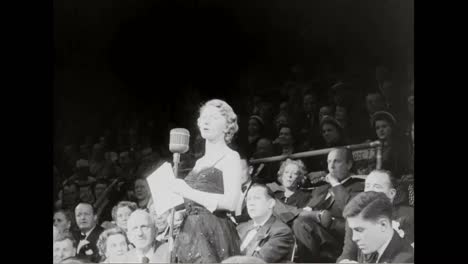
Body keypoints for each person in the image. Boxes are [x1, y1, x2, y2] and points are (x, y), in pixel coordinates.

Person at [169, 99, 242, 263]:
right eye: (204, 117)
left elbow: (231, 203)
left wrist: (187, 191)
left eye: (214, 117)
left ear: (227, 126)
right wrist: (180, 214)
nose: (206, 121)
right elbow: (195, 203)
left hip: (213, 232)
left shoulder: (231, 157)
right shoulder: (199, 162)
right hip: (189, 234)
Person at [291, 148, 364, 262]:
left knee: (301, 224)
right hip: (315, 236)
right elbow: (305, 210)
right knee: (297, 220)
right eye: (329, 162)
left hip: (339, 240)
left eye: (336, 161)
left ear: (349, 164)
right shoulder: (322, 189)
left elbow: (351, 210)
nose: (331, 166)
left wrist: (335, 183)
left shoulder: (358, 186)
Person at [338, 170, 414, 263]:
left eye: (377, 186)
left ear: (391, 194)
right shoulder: (356, 217)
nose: (370, 190)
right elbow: (348, 253)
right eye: (367, 186)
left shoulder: (410, 214)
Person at [237, 184, 294, 263]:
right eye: (248, 199)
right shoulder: (240, 227)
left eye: (257, 198)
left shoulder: (281, 231)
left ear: (271, 203)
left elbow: (257, 262)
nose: (251, 203)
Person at [371, 111, 411, 178]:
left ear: (391, 127)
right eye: (377, 128)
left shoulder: (400, 146)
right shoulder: (374, 147)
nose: (381, 130)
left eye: (384, 126)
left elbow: (404, 169)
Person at [234, 157, 255, 224]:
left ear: (250, 170)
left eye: (241, 169)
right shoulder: (230, 190)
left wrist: (233, 220)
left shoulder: (259, 190)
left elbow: (254, 214)